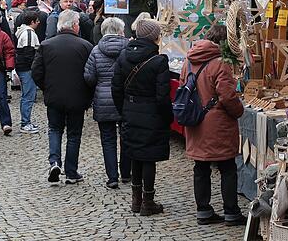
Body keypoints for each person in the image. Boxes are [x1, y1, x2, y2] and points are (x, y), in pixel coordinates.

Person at [182, 25, 246, 226]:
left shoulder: (188, 60)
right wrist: (239, 111)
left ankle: (203, 210)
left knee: (200, 167)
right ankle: (231, 212)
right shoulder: (220, 63)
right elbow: (227, 96)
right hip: (217, 124)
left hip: (195, 121)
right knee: (227, 168)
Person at [111, 14, 172, 216]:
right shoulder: (159, 61)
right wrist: (167, 117)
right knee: (148, 158)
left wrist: (123, 110)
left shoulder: (123, 56)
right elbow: (162, 96)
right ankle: (148, 201)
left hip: (130, 110)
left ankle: (136, 201)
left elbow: (116, 87)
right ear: (155, 36)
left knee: (135, 154)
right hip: (151, 113)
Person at [32, 10, 93, 185]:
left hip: (54, 96)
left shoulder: (46, 45)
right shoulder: (85, 46)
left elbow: (36, 72)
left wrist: (46, 87)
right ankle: (71, 172)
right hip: (77, 97)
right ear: (74, 25)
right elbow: (91, 74)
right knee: (74, 134)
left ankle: (54, 162)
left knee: (54, 129)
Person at [84, 17, 130, 189]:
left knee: (108, 139)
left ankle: (112, 177)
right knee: (126, 136)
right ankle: (126, 172)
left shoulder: (96, 50)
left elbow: (89, 77)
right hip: (125, 98)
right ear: (120, 31)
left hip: (103, 99)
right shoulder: (128, 48)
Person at [15, 11, 41, 133]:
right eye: (37, 21)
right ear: (32, 22)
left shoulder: (24, 32)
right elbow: (29, 54)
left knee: (27, 95)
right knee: (28, 96)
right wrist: (34, 68)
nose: (39, 23)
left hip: (24, 68)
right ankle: (25, 123)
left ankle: (26, 122)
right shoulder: (29, 33)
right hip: (27, 69)